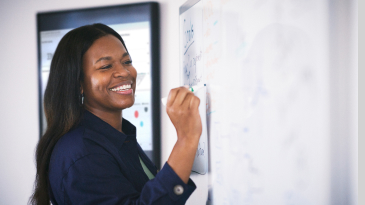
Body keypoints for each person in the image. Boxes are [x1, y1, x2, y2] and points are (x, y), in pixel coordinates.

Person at [30, 23, 202, 205]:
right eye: (106, 66)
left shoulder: (117, 136)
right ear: (78, 84)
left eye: (127, 62)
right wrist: (186, 139)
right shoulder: (82, 153)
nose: (124, 72)